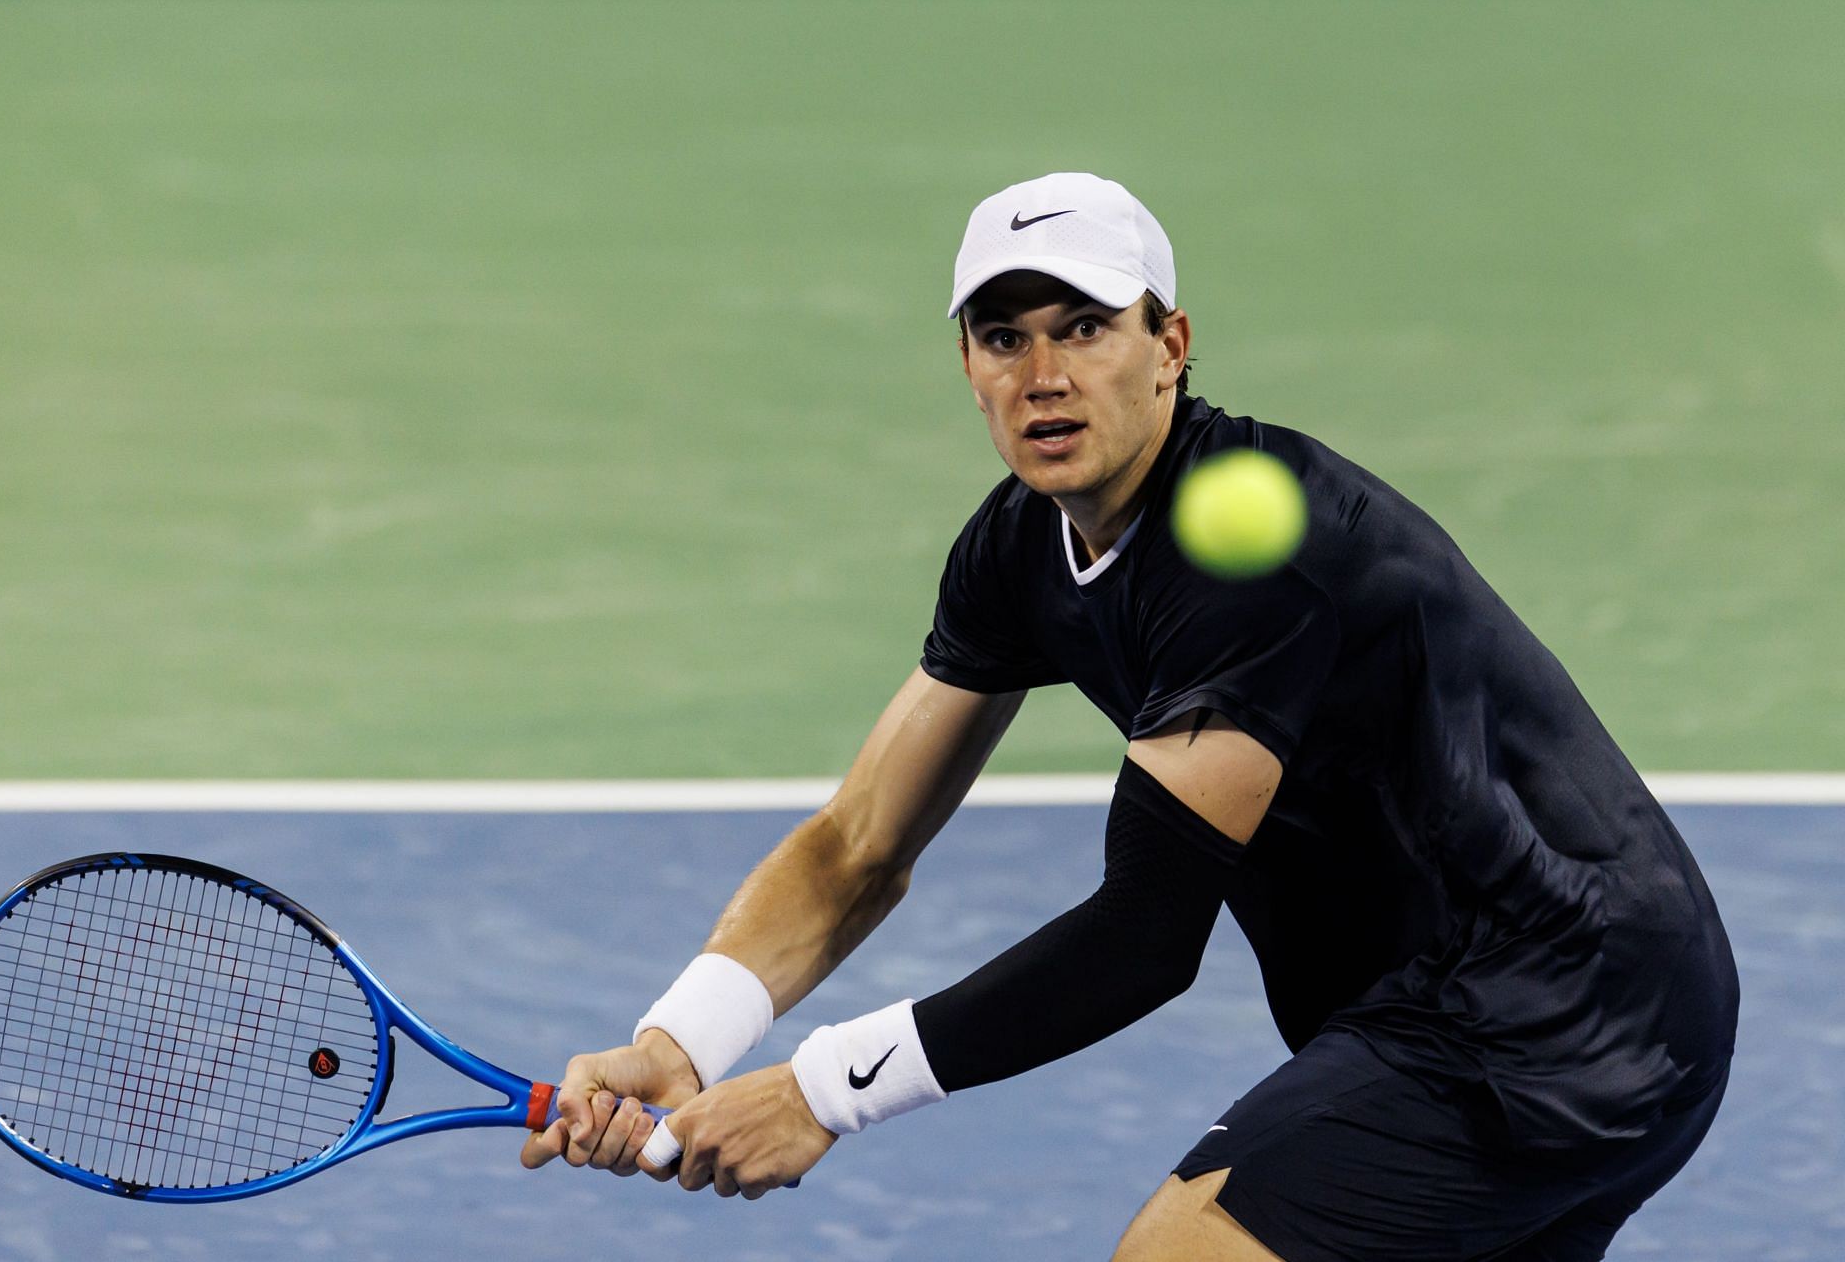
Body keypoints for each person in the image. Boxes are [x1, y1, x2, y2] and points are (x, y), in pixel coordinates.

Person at [520, 172, 1739, 1261]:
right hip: (1478, 1011)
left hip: (1552, 1008)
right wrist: (687, 1037)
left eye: (1086, 329)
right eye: (1003, 336)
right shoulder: (1017, 548)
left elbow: (1144, 938)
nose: (1042, 375)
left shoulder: (1253, 539)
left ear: (1173, 345)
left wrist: (827, 1089)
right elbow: (859, 844)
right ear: (965, 365)